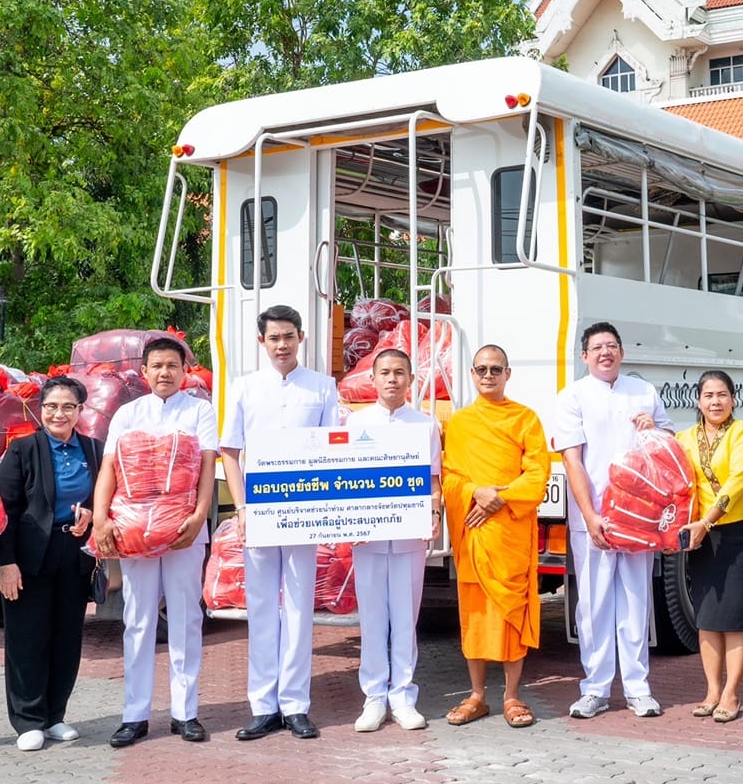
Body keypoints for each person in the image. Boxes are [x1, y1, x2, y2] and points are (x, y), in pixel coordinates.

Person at [219, 304, 344, 742]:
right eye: (274, 338)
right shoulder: (244, 387)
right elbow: (230, 452)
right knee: (260, 609)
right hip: (260, 511)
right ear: (262, 342)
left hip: (304, 513)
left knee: (297, 609)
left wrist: (327, 510)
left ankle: (295, 705)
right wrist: (241, 508)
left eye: (288, 336)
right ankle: (262, 706)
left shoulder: (322, 387)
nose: (282, 345)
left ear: (301, 337)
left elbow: (333, 451)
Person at [92, 336, 217, 748]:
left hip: (183, 530)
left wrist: (199, 517)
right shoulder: (127, 414)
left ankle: (186, 713)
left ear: (185, 371)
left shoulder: (200, 410)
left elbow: (205, 469)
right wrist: (101, 519)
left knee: (185, 618)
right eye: (157, 366)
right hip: (134, 532)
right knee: (139, 619)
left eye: (173, 366)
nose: (165, 373)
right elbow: (109, 469)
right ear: (143, 373)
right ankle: (135, 714)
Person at [551, 321, 676, 719]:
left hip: (639, 516)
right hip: (596, 517)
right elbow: (572, 459)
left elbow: (669, 444)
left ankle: (638, 688)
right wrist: (589, 517)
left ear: (622, 352)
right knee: (594, 603)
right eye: (597, 347)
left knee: (636, 599)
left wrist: (653, 427)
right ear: (585, 356)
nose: (605, 352)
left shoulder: (644, 392)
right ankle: (596, 688)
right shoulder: (573, 396)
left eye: (611, 346)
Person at [442, 346, 551, 729]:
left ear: (508, 373)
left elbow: (538, 474)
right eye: (482, 369)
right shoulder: (460, 423)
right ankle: (476, 695)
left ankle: (512, 695)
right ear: (472, 374)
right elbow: (450, 476)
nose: (488, 375)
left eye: (496, 369)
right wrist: (476, 491)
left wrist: (498, 498)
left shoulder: (525, 419)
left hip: (508, 530)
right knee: (473, 615)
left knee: (510, 614)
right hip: (473, 532)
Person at [0, 374, 101, 751]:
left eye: (68, 406)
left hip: (74, 555)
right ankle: (28, 720)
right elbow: (2, 510)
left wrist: (90, 512)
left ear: (80, 411)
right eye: (51, 406)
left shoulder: (93, 449)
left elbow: (105, 496)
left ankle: (55, 715)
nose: (59, 413)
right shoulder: (23, 449)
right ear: (41, 410)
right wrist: (7, 562)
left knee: (66, 636)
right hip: (28, 557)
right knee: (26, 638)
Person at [344, 347, 444, 732]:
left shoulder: (425, 425)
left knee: (405, 618)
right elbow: (344, 478)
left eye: (399, 372)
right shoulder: (354, 424)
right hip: (366, 536)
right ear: (372, 379)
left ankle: (402, 696)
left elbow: (433, 479)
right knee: (371, 619)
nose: (391, 379)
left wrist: (434, 514)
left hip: (408, 535)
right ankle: (373, 697)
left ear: (410, 380)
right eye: (384, 372)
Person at [678, 370, 743, 724]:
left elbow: (738, 481)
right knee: (708, 616)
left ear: (733, 399)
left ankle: (732, 692)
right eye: (709, 395)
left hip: (735, 529)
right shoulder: (684, 438)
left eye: (722, 394)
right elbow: (677, 483)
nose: (716, 401)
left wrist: (707, 521)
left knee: (736, 617)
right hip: (699, 534)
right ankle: (712, 689)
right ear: (698, 400)